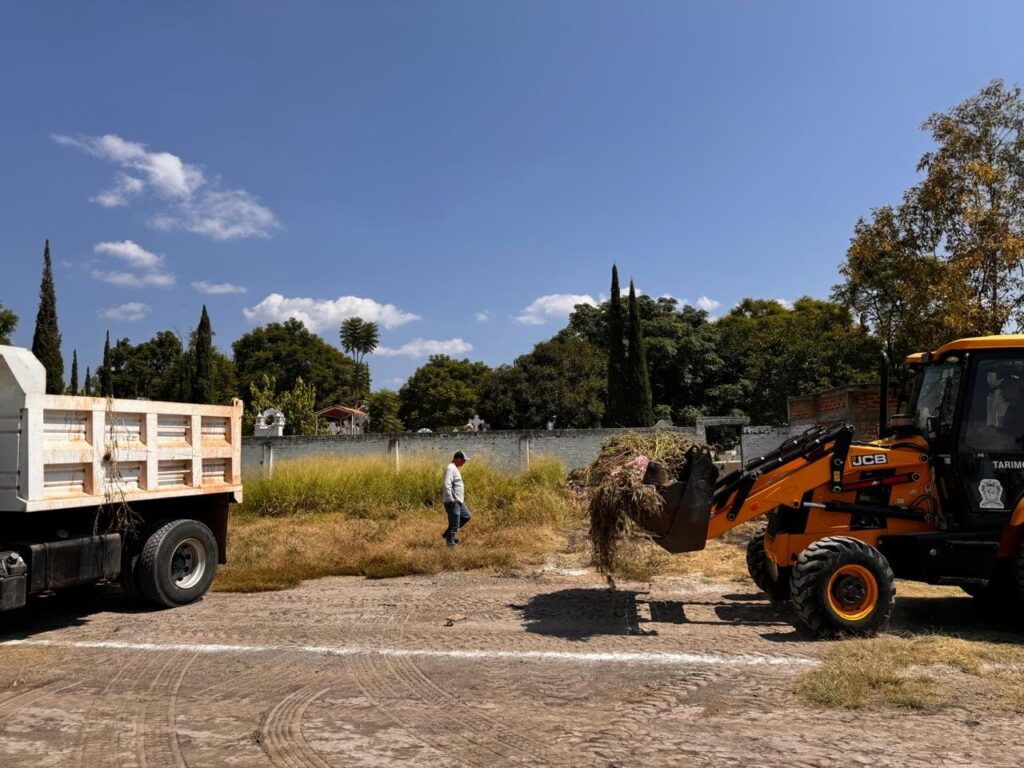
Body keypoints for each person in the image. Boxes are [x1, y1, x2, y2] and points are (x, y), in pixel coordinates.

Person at [442, 450, 471, 546]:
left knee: (466, 516)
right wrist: (451, 499)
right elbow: (447, 484)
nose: (464, 462)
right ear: (458, 459)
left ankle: (448, 535)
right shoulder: (450, 468)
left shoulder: (454, 468)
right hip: (453, 502)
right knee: (454, 524)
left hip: (458, 501)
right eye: (463, 460)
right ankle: (451, 544)